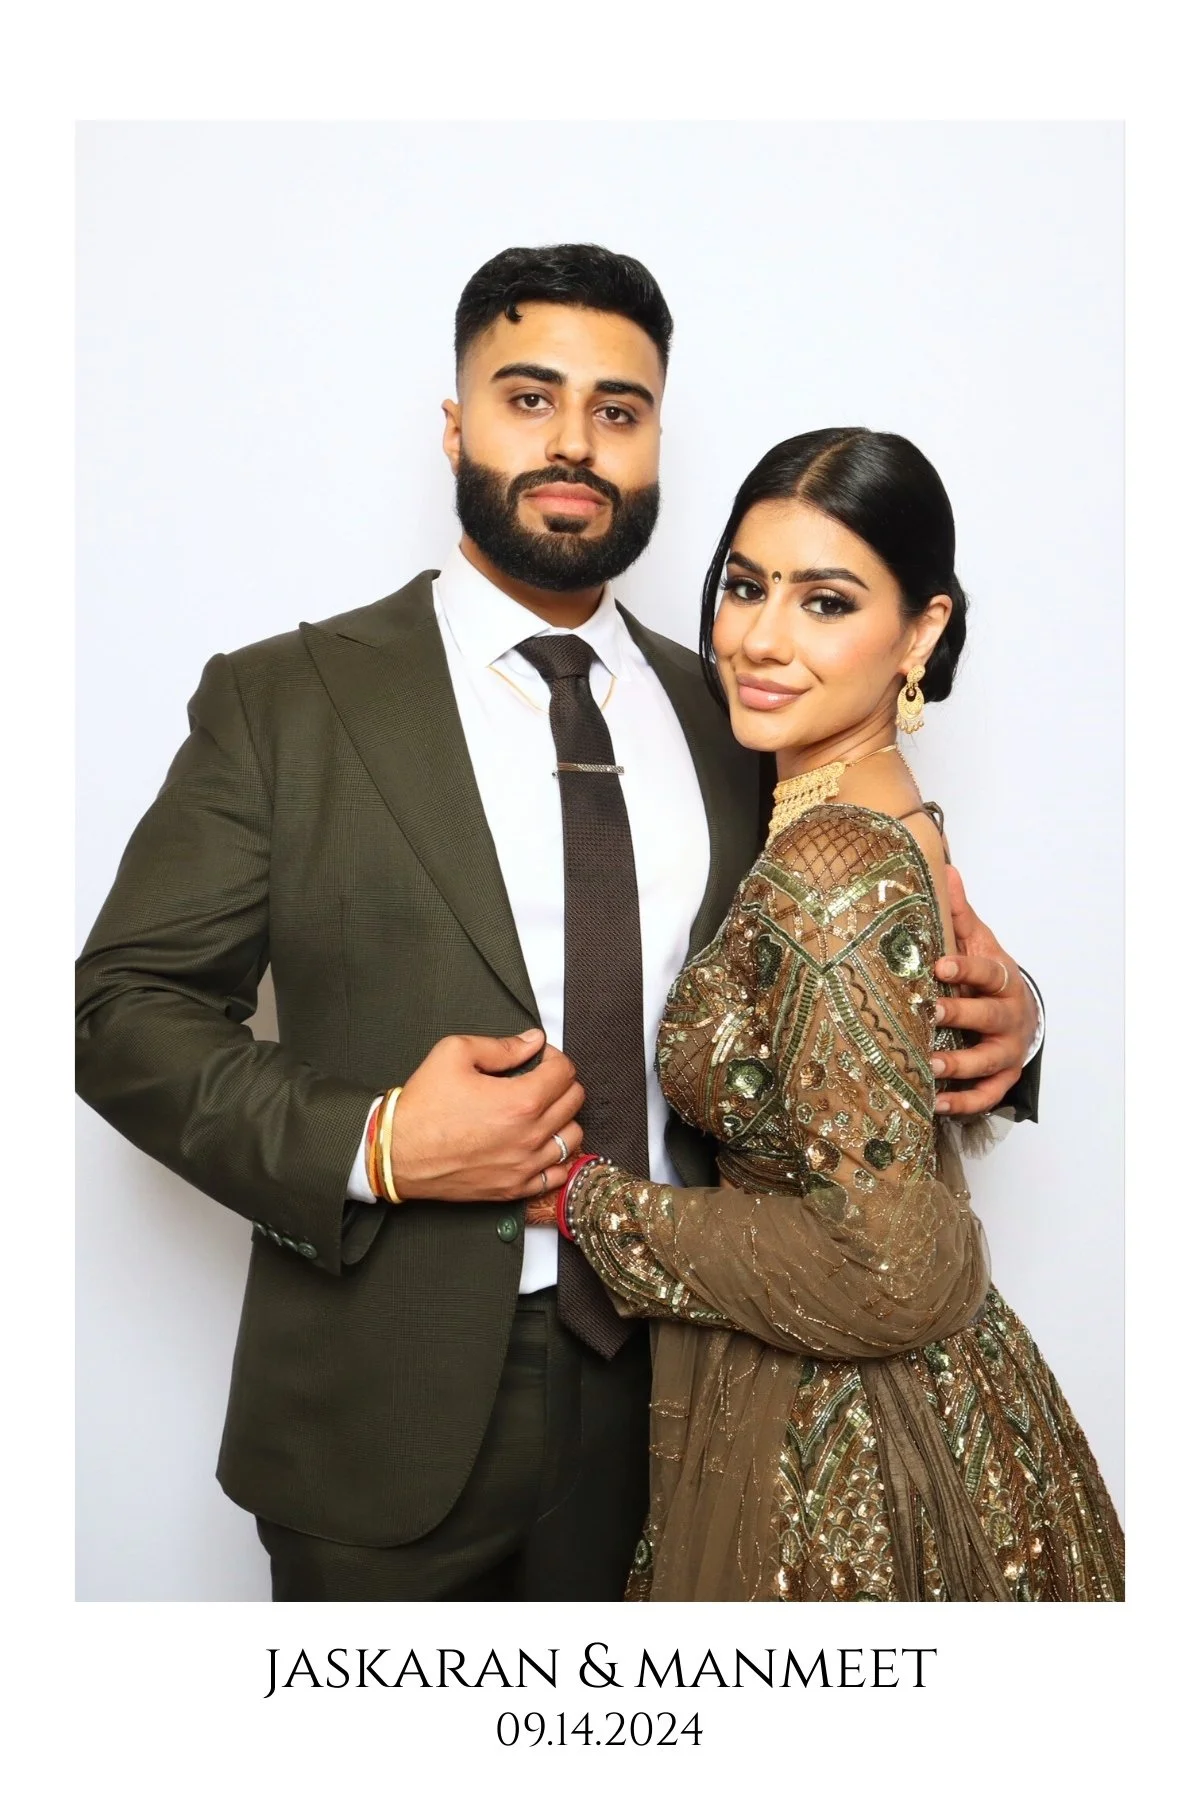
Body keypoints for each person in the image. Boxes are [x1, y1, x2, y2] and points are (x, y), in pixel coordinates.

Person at [75, 247, 1042, 1602]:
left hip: (699, 1393)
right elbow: (124, 1011)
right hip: (381, 1414)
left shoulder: (741, 710)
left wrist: (1012, 1019)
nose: (576, 442)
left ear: (656, 441)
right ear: (457, 424)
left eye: (621, 410)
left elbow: (837, 944)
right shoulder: (285, 702)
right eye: (529, 398)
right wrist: (382, 1142)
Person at [559, 426, 1124, 1601]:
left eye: (824, 601)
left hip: (838, 1429)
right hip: (792, 1375)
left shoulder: (831, 858)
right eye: (745, 586)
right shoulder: (870, 808)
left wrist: (579, 1202)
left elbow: (884, 1264)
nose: (760, 639)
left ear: (922, 630)